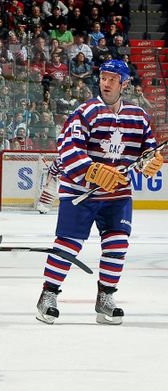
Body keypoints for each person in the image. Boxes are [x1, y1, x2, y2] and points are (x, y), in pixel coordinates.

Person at [35, 60, 164, 326]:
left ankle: (105, 296)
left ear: (124, 84)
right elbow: (68, 148)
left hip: (117, 193)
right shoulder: (86, 112)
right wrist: (91, 171)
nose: (106, 83)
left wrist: (152, 161)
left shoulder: (138, 116)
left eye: (112, 79)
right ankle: (48, 295)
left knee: (117, 244)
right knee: (68, 243)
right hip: (80, 190)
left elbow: (148, 152)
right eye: (103, 78)